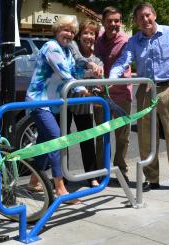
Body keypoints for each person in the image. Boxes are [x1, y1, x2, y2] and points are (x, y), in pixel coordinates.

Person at [109, 2, 169, 194]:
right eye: (140, 18)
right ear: (136, 21)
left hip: (168, 89)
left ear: (154, 15)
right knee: (146, 136)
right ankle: (152, 177)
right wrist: (111, 78)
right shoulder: (134, 41)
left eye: (147, 15)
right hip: (145, 90)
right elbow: (124, 60)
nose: (145, 20)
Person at [25, 16, 83, 203]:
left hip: (53, 103)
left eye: (72, 32)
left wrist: (91, 72)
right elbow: (64, 73)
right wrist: (81, 87)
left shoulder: (66, 51)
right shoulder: (51, 47)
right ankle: (60, 188)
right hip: (39, 101)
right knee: (57, 139)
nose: (69, 34)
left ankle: (34, 181)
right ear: (57, 30)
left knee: (45, 141)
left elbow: (75, 72)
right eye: (66, 30)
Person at [94, 6, 132, 183]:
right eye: (110, 21)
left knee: (122, 136)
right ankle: (102, 171)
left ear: (121, 22)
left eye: (117, 21)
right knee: (101, 135)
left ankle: (121, 170)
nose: (114, 24)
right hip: (101, 95)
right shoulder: (97, 40)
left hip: (122, 95)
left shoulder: (126, 41)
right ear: (103, 22)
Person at [67, 19, 103, 187]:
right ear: (79, 35)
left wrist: (95, 92)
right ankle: (61, 177)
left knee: (87, 141)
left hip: (83, 105)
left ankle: (92, 176)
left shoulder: (98, 60)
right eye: (86, 33)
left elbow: (98, 85)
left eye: (92, 34)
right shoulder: (71, 49)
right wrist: (90, 66)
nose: (89, 36)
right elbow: (77, 59)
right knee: (62, 140)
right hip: (65, 103)